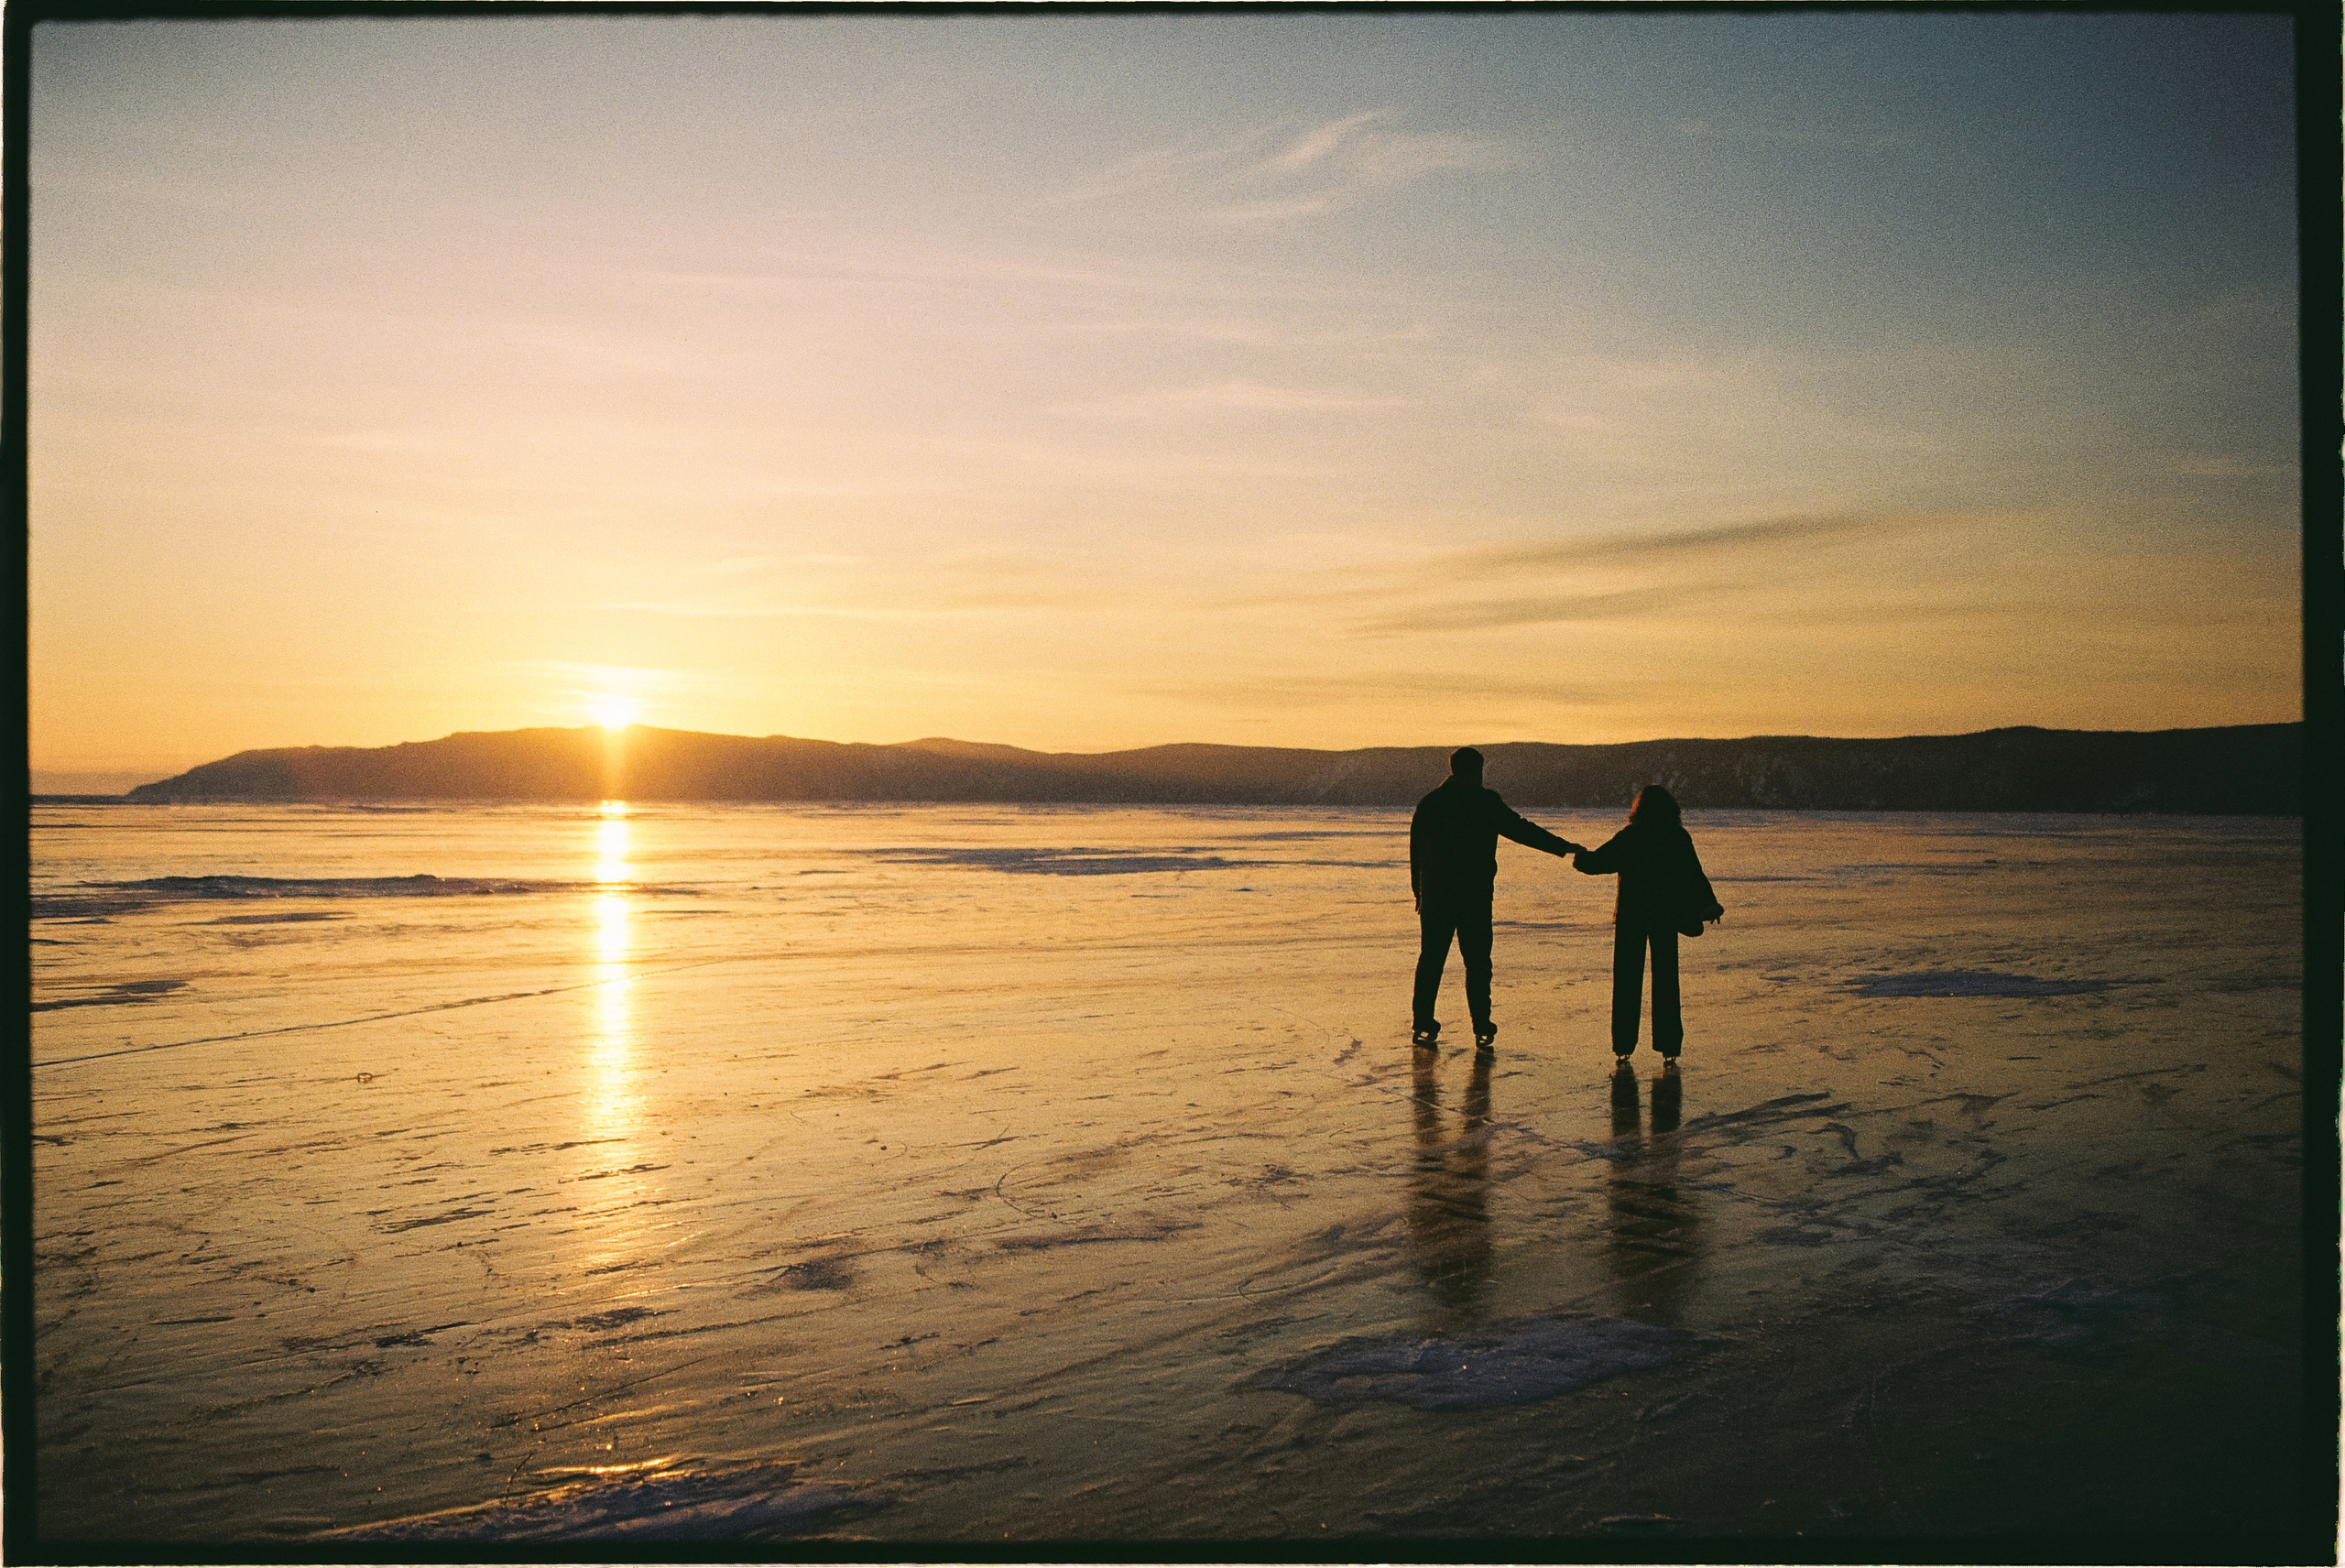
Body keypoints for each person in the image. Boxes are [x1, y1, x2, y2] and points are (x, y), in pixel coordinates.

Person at [1410, 746, 1583, 1050]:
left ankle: (1424, 1021)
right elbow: (1521, 830)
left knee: (1432, 961)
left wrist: (1420, 893)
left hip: (1437, 897)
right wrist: (1561, 846)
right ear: (1474, 770)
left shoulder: (1431, 803)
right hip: (1474, 898)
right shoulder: (1485, 802)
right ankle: (1481, 1025)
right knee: (1477, 963)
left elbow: (1416, 853)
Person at [1573, 784, 1721, 1061]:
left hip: (1632, 916)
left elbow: (1598, 862)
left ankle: (1623, 1046)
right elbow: (1694, 874)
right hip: (1665, 916)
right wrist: (1708, 903)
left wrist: (1580, 857)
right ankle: (1669, 1046)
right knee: (1666, 982)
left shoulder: (1632, 836)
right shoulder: (1677, 837)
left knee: (1627, 983)